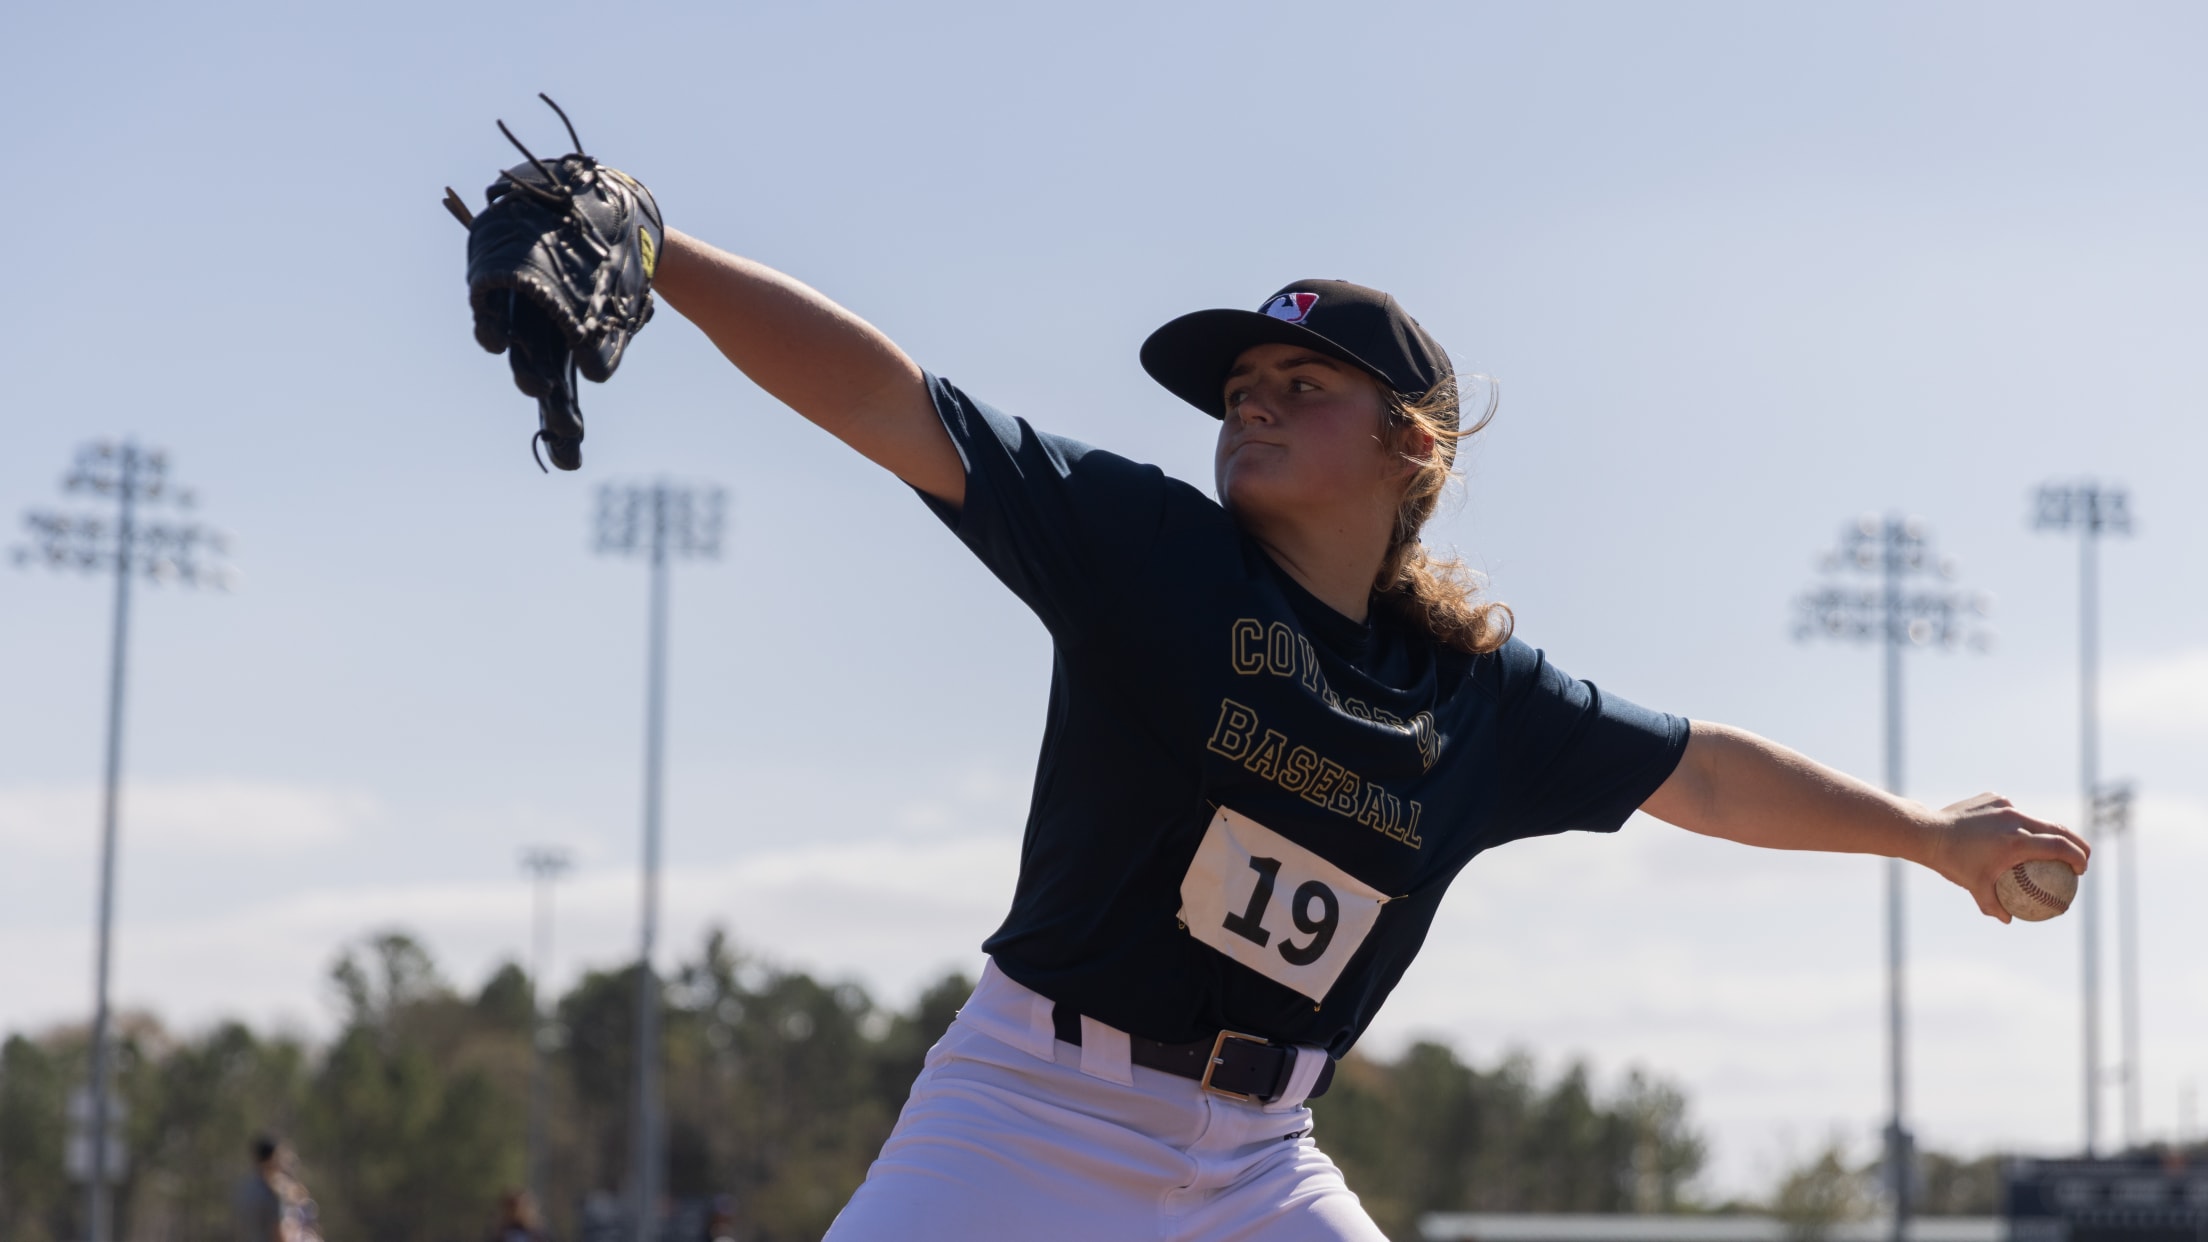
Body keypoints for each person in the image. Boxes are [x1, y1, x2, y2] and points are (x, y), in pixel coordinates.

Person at [646, 235, 2088, 1241]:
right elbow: (893, 403)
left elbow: (1700, 768)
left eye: (1301, 386)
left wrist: (1927, 834)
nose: (1251, 405)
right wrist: (659, 249)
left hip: (1258, 1164)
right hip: (1026, 1115)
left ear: (1414, 449)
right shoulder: (1149, 551)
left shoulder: (1475, 691)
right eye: (1241, 392)